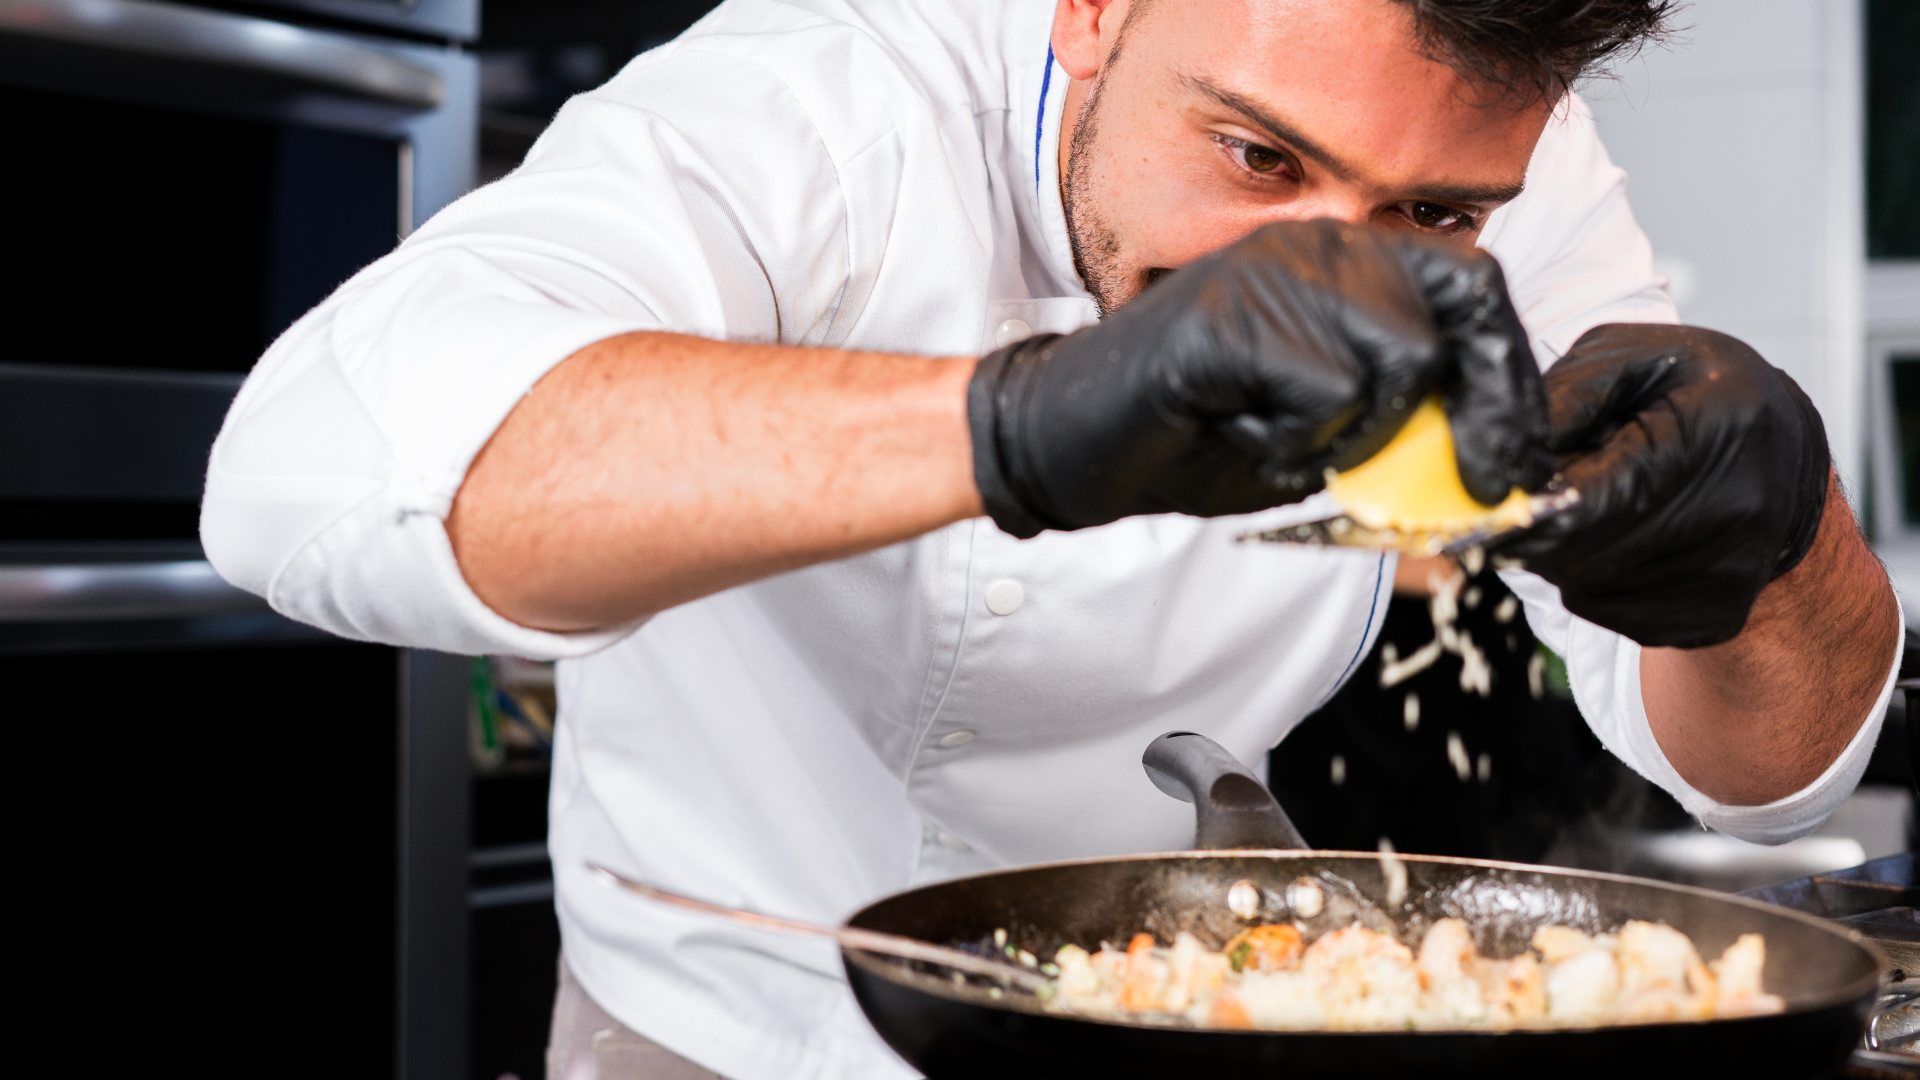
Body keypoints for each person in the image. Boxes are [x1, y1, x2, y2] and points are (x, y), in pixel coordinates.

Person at [202, 1, 1901, 1077]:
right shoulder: (820, 95)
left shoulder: (1533, 185)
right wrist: (1016, 422)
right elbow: (299, 475)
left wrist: (1773, 555)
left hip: (1208, 1009)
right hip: (721, 1031)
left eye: (1433, 215)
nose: (1330, 270)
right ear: (1091, 10)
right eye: (1253, 151)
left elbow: (1770, 778)